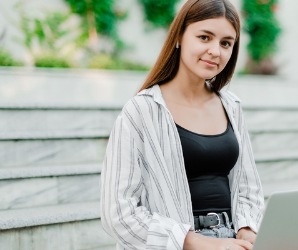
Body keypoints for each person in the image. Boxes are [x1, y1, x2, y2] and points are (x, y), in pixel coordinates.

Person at [100, 0, 265, 249]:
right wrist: (197, 242)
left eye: (226, 43)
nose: (215, 51)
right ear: (179, 36)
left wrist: (246, 231)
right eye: (204, 37)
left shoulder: (232, 107)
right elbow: (119, 214)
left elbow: (248, 188)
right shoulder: (142, 111)